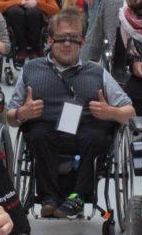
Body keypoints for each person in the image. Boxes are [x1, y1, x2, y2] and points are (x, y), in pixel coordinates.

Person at [7, 13, 132, 215]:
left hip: (87, 129)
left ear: (82, 42)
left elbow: (130, 112)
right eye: (61, 38)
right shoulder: (31, 69)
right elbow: (10, 117)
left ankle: (78, 197)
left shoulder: (97, 71)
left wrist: (111, 112)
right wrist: (23, 112)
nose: (67, 43)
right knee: (37, 135)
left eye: (74, 39)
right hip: (45, 128)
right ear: (49, 40)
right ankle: (49, 197)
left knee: (94, 136)